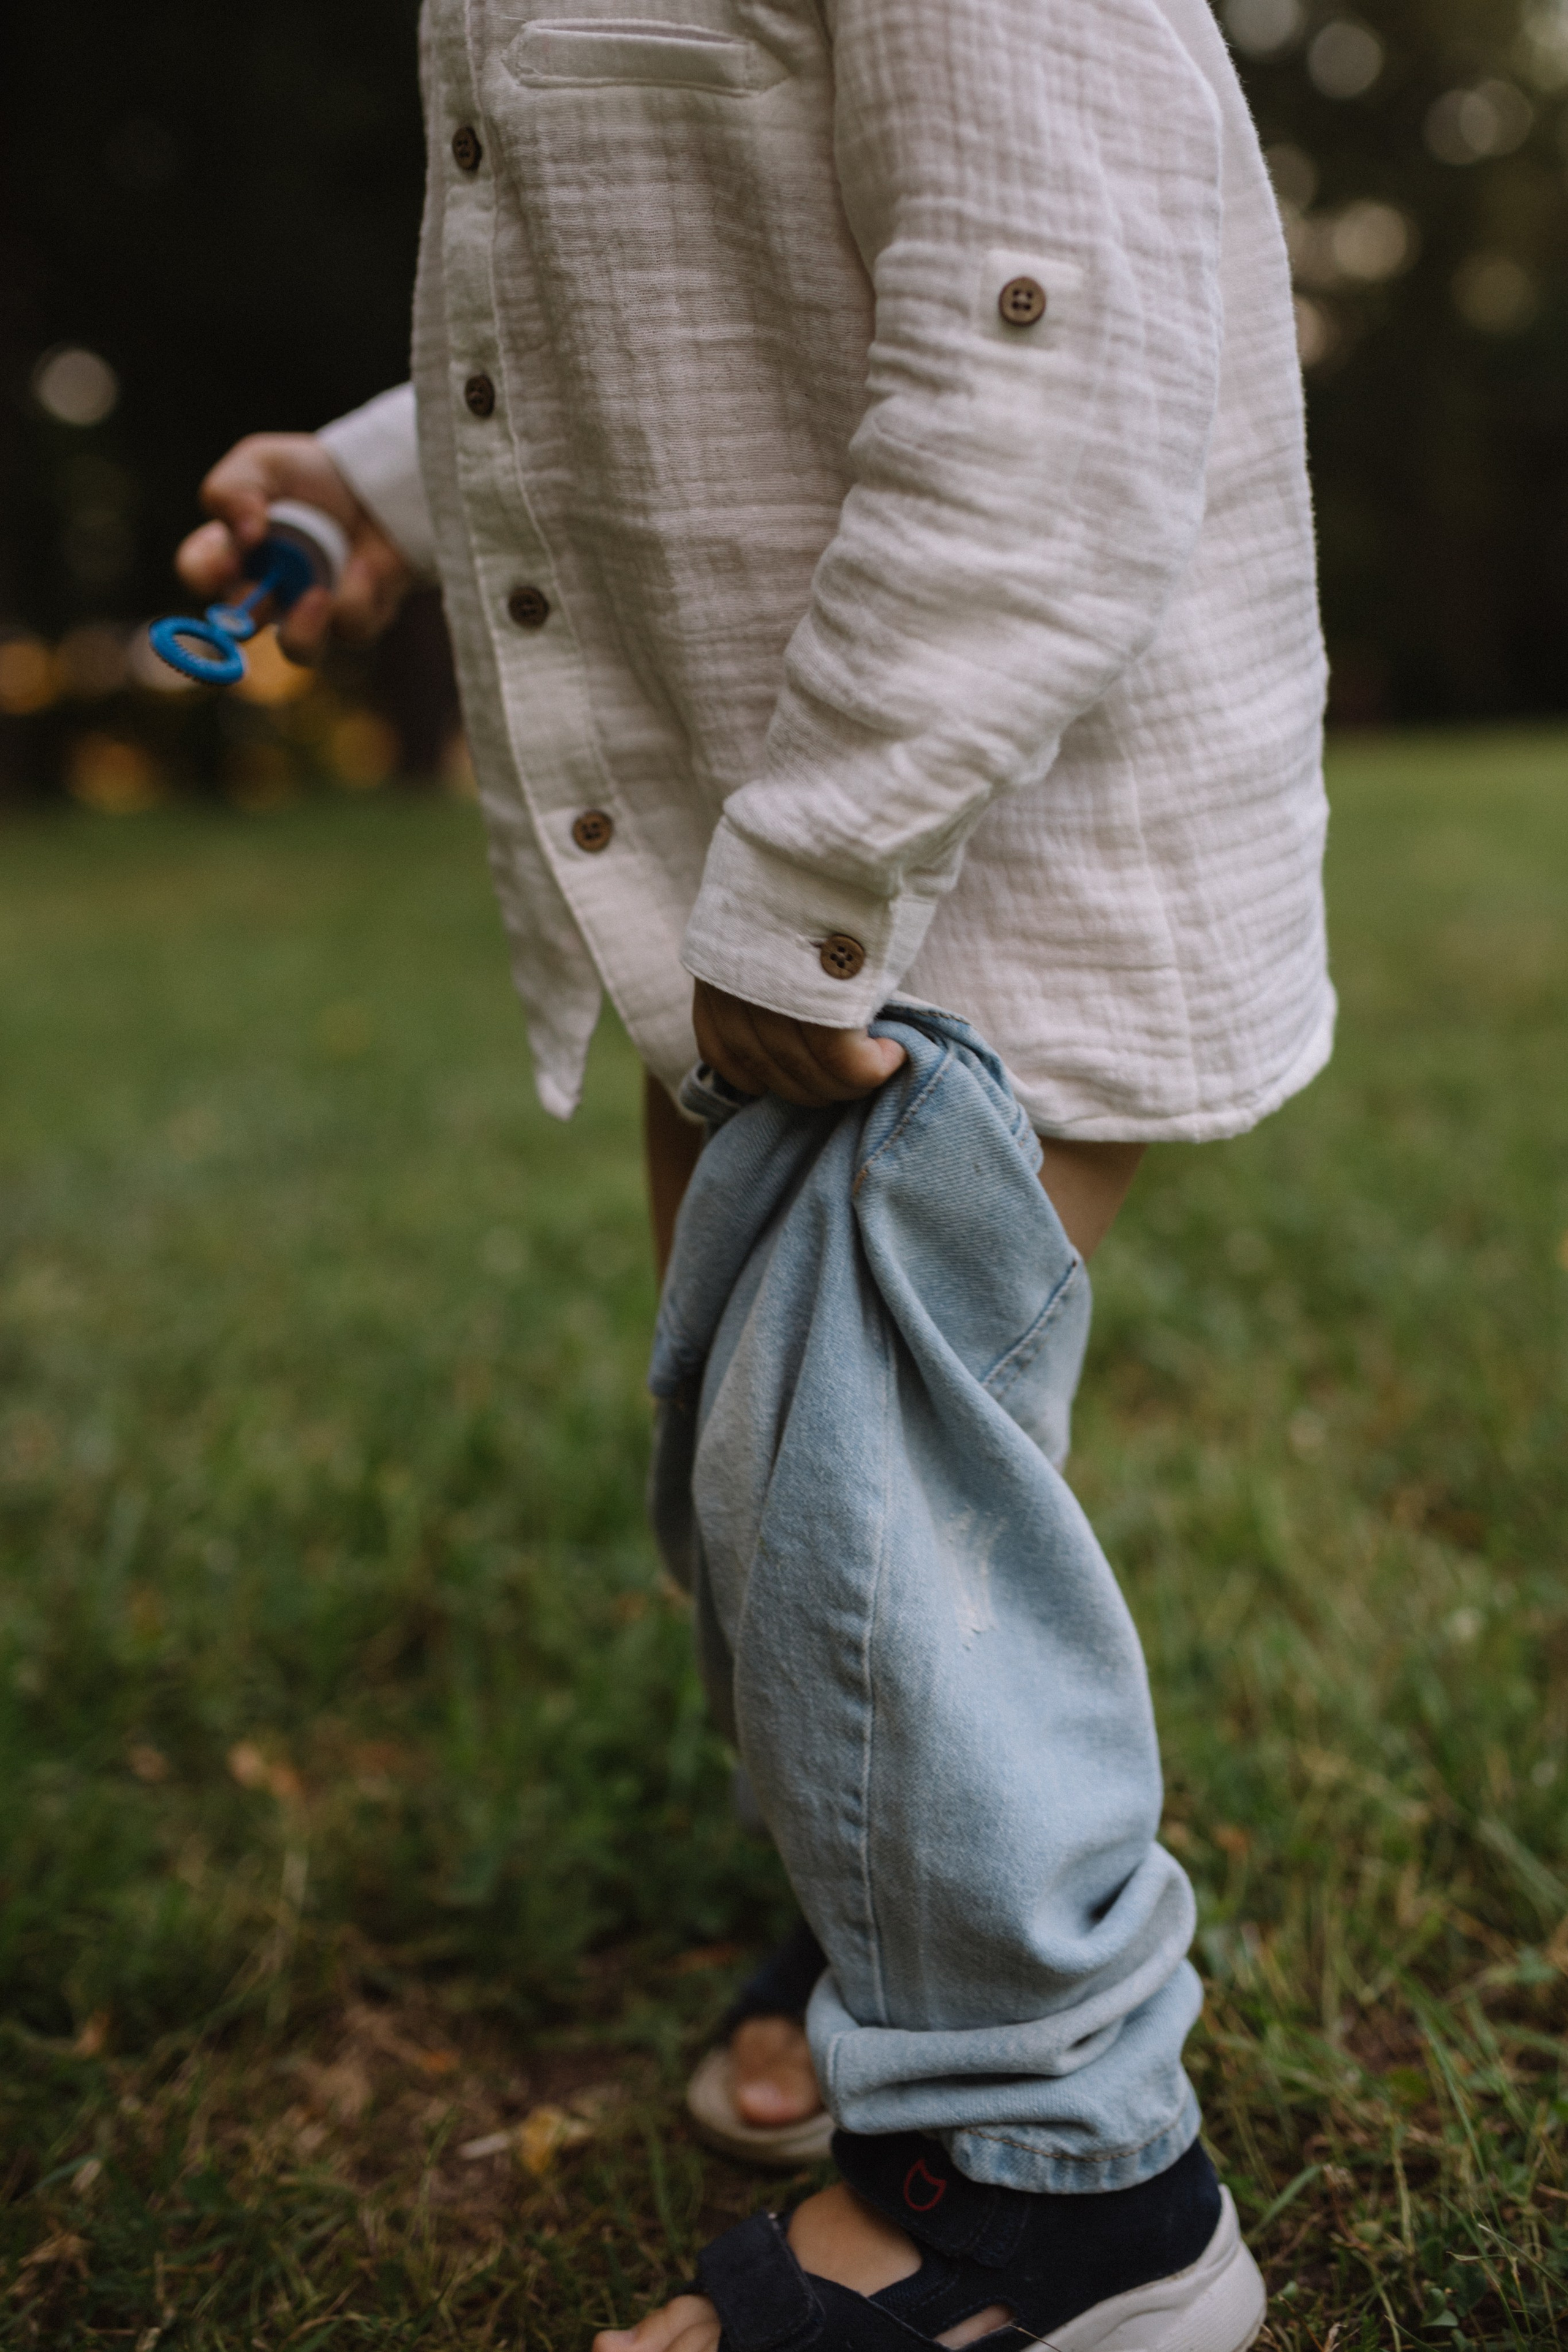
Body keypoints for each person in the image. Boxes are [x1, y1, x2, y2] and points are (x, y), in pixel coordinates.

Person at [178, 0, 1332, 2343]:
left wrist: (820, 878)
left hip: (966, 844)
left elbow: (1051, 330)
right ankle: (892, 1910)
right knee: (769, 1488)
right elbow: (638, 251)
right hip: (752, 854)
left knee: (860, 1492)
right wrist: (379, 491)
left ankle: (1066, 2192)